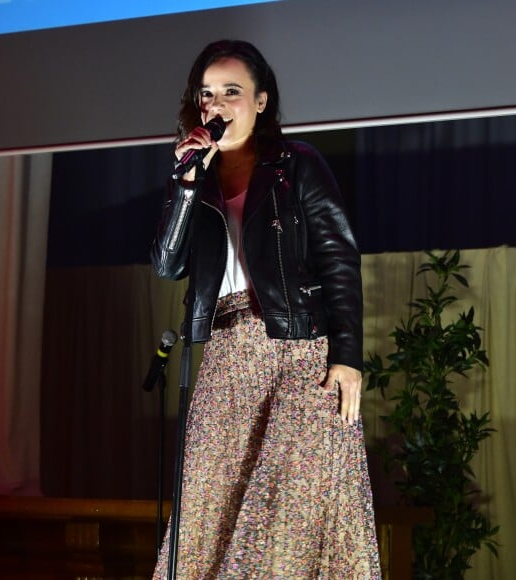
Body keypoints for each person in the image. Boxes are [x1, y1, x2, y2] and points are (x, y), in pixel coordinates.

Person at [151, 39, 381, 579]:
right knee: (211, 507)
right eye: (207, 94)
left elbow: (339, 260)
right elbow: (167, 264)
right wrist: (185, 185)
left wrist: (348, 355)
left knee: (289, 513)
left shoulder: (296, 165)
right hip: (228, 358)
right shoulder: (195, 177)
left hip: (299, 353)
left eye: (232, 92)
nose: (216, 104)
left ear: (261, 102)